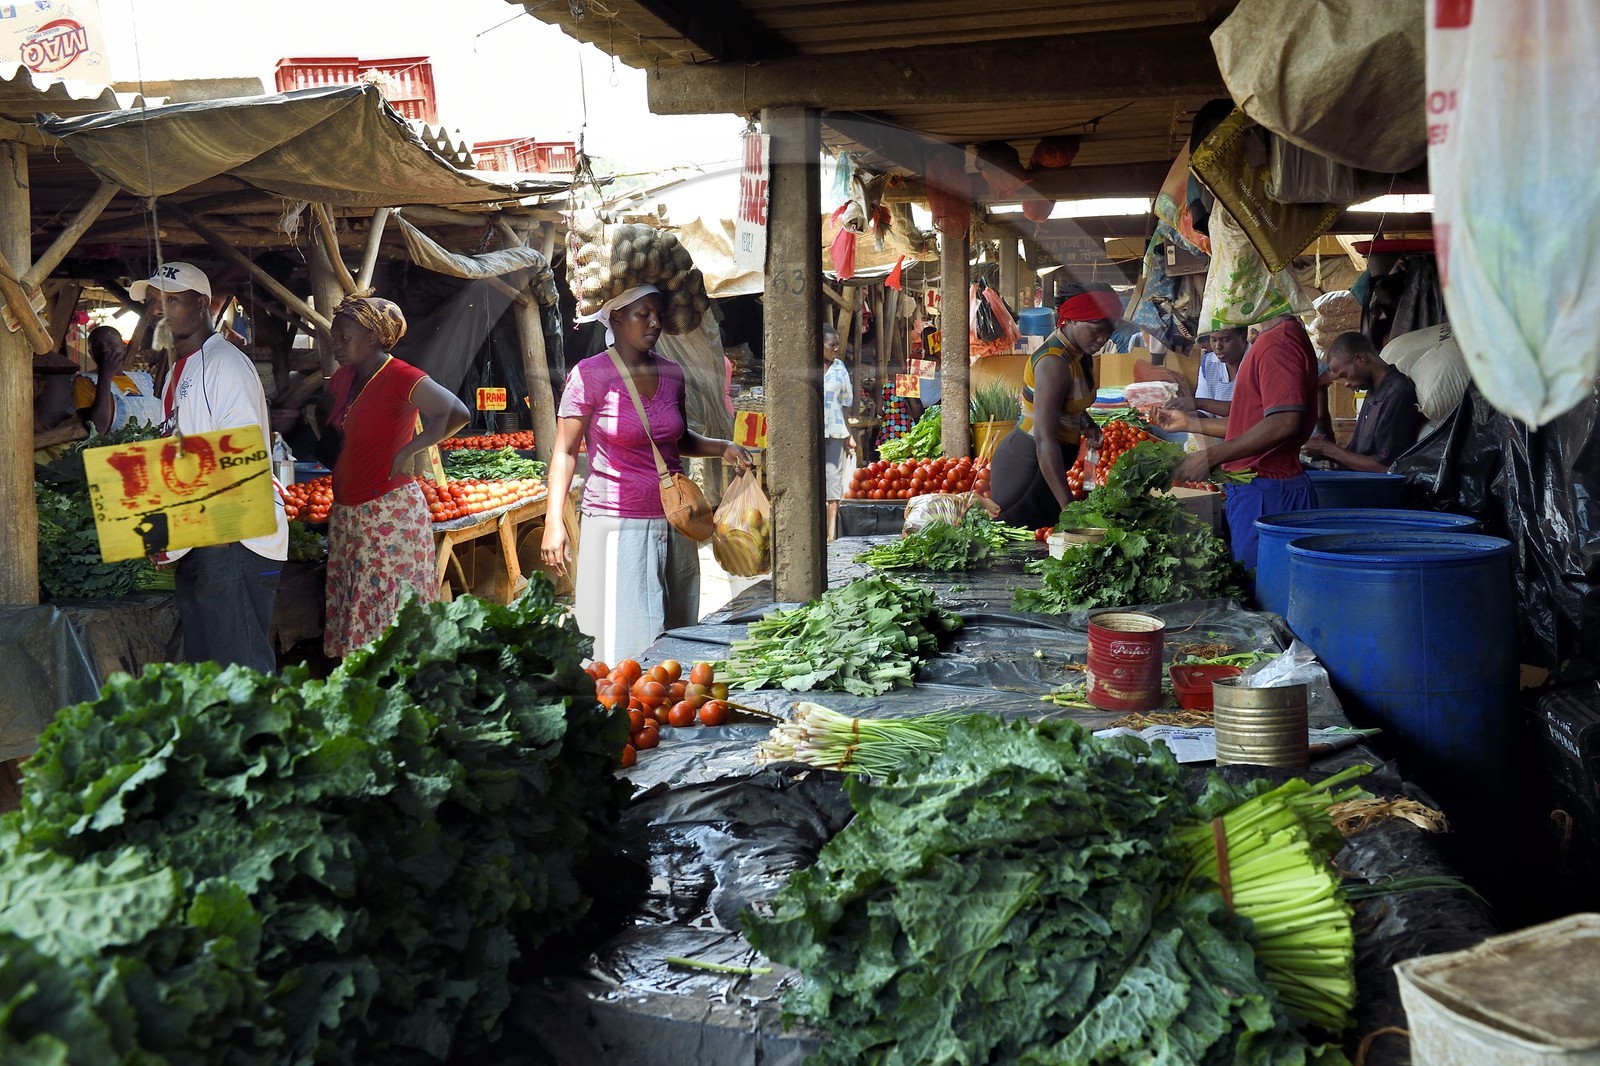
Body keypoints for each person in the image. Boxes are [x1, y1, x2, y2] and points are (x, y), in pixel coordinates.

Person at [540, 285, 752, 666]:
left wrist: (722, 446)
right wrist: (554, 521)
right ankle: (623, 715)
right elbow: (565, 452)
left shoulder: (672, 374)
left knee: (677, 636)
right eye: (644, 314)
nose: (655, 322)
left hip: (677, 522)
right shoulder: (589, 375)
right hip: (618, 527)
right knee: (622, 644)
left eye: (658, 314)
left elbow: (677, 437)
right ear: (616, 317)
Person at [133, 261, 287, 672]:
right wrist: (165, 532)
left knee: (240, 675)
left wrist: (211, 541)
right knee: (212, 675)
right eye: (151, 303)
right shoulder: (176, 373)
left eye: (171, 300)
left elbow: (239, 462)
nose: (157, 311)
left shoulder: (224, 366)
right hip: (204, 540)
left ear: (202, 304)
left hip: (232, 541)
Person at [321, 293, 469, 658]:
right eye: (334, 337)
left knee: (390, 613)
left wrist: (408, 450)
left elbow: (455, 412)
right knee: (357, 603)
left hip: (387, 514)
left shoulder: (401, 375)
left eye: (345, 337)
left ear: (372, 337)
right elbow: (330, 422)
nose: (336, 344)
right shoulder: (344, 379)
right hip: (348, 513)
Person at [1167, 314, 1320, 570]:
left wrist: (1213, 456)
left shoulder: (1277, 342)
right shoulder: (1274, 338)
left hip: (1267, 491)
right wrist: (1190, 423)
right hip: (1259, 488)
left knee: (1261, 585)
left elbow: (1283, 422)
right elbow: (1250, 422)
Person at [989, 284, 1122, 529]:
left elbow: (1068, 401)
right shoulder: (1054, 363)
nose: (1103, 338)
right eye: (1096, 329)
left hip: (1047, 464)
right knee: (1024, 548)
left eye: (1109, 331)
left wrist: (1086, 424)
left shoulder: (1079, 353)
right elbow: (1044, 439)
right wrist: (1067, 505)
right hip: (1026, 467)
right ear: (1070, 320)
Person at [1301, 331, 1426, 472]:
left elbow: (1385, 467)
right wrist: (1320, 449)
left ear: (1360, 358)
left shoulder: (1397, 393)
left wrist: (1327, 448)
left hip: (1373, 489)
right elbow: (1357, 454)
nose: (1345, 384)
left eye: (1344, 375)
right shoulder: (1374, 390)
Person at [75, 325, 163, 434]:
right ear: (91, 353)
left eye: (111, 344)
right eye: (97, 346)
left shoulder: (142, 380)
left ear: (123, 348)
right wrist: (105, 377)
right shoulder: (85, 381)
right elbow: (98, 429)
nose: (105, 349)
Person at [822, 323, 855, 540]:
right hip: (810, 434)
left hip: (835, 432)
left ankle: (831, 535)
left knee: (833, 485)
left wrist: (850, 434)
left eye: (837, 345)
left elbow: (846, 403)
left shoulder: (839, 368)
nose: (836, 349)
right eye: (832, 345)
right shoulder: (807, 367)